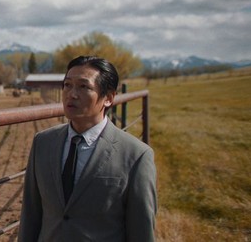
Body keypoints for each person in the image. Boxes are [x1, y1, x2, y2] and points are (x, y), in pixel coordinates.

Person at [18, 56, 157, 241]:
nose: (71, 94)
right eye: (67, 85)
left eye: (84, 87)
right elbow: (31, 215)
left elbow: (142, 232)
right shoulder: (43, 143)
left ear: (108, 98)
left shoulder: (136, 156)